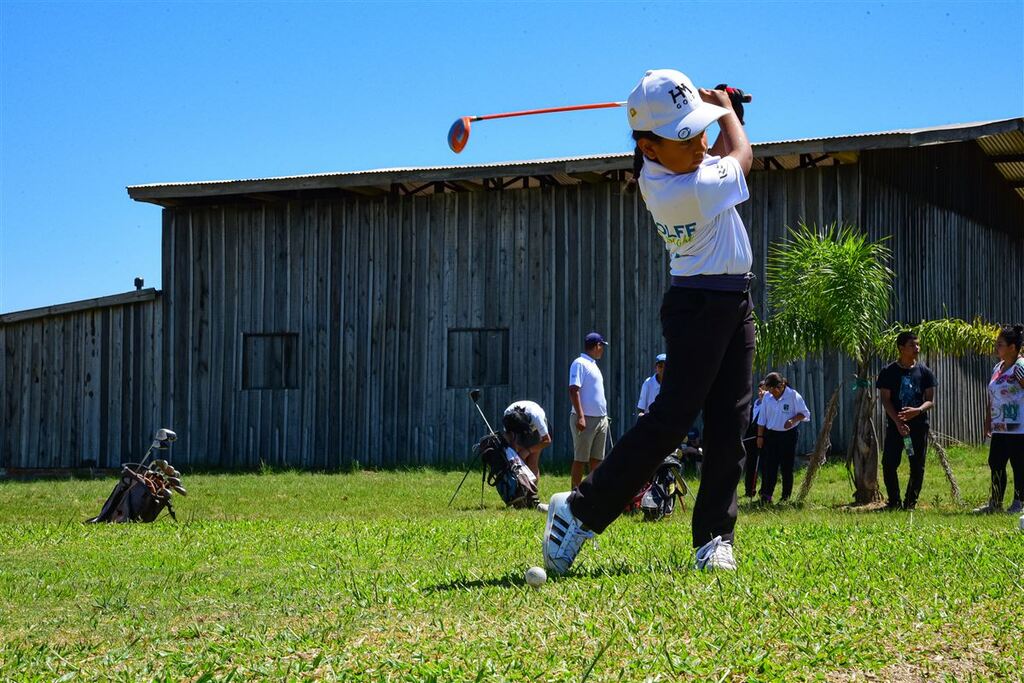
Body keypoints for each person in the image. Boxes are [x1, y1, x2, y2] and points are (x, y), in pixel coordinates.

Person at [543, 68, 754, 574]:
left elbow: (722, 150)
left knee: (731, 423)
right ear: (652, 148)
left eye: (699, 129)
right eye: (688, 136)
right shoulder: (679, 188)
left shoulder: (681, 167)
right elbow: (742, 157)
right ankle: (578, 510)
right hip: (699, 306)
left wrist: (722, 111)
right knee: (670, 423)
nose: (701, 143)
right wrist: (724, 108)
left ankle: (714, 538)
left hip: (733, 303)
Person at [876, 331, 937, 510]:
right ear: (901, 348)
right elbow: (885, 399)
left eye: (918, 345)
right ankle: (894, 501)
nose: (917, 348)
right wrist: (898, 422)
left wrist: (917, 411)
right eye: (912, 345)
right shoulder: (888, 372)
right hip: (896, 428)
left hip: (917, 428)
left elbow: (930, 401)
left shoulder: (925, 372)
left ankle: (910, 502)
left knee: (917, 465)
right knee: (889, 463)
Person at [973, 324, 1024, 514]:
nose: (996, 348)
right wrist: (988, 422)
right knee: (995, 463)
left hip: (1019, 428)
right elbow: (992, 397)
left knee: (1019, 465)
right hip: (1000, 426)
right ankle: (995, 502)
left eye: (1000, 344)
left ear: (1012, 347)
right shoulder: (998, 367)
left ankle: (1019, 503)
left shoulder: (1020, 368)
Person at [755, 372, 810, 503]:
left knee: (786, 467)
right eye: (769, 390)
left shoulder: (793, 396)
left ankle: (785, 497)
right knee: (770, 467)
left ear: (781, 386)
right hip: (771, 435)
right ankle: (767, 496)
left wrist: (793, 420)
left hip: (788, 436)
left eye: (773, 390)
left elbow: (805, 414)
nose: (771, 393)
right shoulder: (767, 398)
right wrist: (760, 436)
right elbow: (762, 419)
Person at [568, 332, 609, 489]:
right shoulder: (579, 363)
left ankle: (594, 493)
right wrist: (580, 416)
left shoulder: (593, 364)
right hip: (586, 419)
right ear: (597, 345)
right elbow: (573, 389)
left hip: (600, 419)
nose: (602, 350)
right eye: (601, 346)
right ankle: (574, 494)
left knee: (597, 459)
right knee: (580, 459)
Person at [502, 400, 553, 488]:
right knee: (519, 463)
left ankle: (532, 494)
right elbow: (509, 436)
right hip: (517, 428)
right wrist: (514, 454)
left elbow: (547, 440)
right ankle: (520, 493)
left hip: (535, 430)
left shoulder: (536, 417)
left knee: (532, 462)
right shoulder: (508, 416)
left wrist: (528, 451)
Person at [744, 381, 767, 498]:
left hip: (763, 440)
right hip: (751, 440)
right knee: (751, 465)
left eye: (764, 390)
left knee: (764, 466)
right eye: (759, 390)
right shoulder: (754, 405)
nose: (761, 392)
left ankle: (764, 492)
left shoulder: (769, 405)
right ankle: (749, 490)